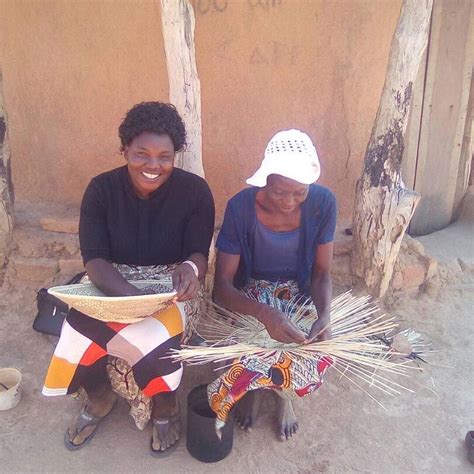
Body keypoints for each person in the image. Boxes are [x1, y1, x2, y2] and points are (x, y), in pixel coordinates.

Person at [43, 102, 215, 456]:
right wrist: (131, 300)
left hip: (171, 287)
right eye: (142, 154)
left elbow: (198, 253)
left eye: (164, 157)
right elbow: (95, 260)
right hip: (111, 282)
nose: (153, 166)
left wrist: (190, 269)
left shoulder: (195, 192)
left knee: (159, 338)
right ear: (124, 150)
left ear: (175, 156)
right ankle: (99, 396)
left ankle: (166, 408)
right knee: (75, 331)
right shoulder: (101, 190)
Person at [213, 129, 336, 440]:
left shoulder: (323, 203)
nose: (290, 202)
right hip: (249, 293)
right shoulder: (240, 207)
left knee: (313, 347)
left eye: (299, 193)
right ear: (265, 180)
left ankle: (285, 400)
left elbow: (321, 273)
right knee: (247, 346)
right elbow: (222, 286)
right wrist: (265, 314)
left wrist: (324, 314)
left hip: (298, 293)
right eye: (281, 191)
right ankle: (252, 393)